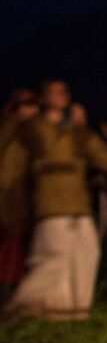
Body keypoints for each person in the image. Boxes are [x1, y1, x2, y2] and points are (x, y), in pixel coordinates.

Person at [4, 80, 107, 319]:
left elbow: (102, 156)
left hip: (79, 204)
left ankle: (74, 310)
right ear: (44, 98)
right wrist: (11, 206)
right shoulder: (31, 130)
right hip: (50, 204)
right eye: (56, 91)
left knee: (88, 253)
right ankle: (22, 305)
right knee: (55, 257)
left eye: (65, 91)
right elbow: (11, 167)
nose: (63, 94)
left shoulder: (78, 132)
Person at [0, 89, 41, 296]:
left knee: (18, 250)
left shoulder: (31, 129)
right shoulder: (9, 126)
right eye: (26, 105)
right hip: (10, 199)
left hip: (25, 200)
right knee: (11, 250)